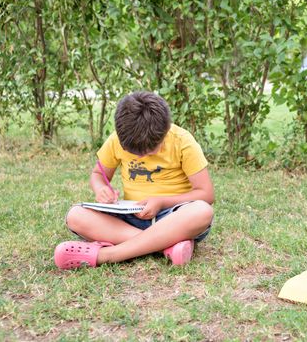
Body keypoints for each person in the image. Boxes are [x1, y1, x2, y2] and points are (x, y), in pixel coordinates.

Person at [54, 91, 214, 269]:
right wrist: (101, 189)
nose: (142, 156)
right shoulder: (116, 139)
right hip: (130, 217)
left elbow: (206, 194)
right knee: (75, 215)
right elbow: (98, 175)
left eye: (150, 150)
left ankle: (108, 255)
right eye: (135, 153)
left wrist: (161, 202)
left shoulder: (183, 141)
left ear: (166, 130)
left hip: (172, 217)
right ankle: (166, 246)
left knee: (202, 211)